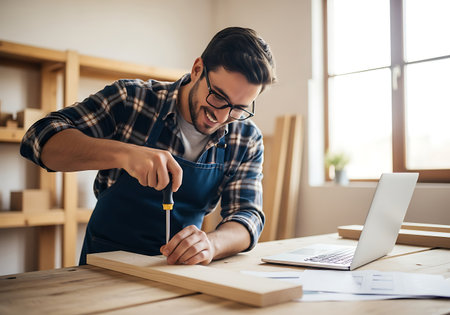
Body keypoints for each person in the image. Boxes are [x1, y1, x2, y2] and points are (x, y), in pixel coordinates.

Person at [20, 26, 276, 266]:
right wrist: (124, 154)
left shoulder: (245, 138)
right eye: (218, 97)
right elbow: (39, 138)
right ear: (197, 69)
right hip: (106, 266)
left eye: (239, 108)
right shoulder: (132, 101)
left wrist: (210, 244)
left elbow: (247, 217)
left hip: (180, 271)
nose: (221, 117)